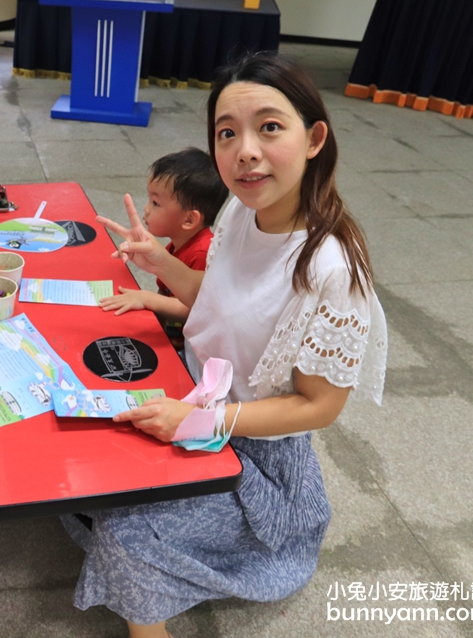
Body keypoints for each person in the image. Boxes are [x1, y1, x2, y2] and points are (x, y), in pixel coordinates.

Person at [71, 52, 388, 638]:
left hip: (257, 458)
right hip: (193, 393)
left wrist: (198, 422)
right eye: (226, 132)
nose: (245, 149)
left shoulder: (331, 269)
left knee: (126, 528)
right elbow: (214, 298)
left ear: (314, 137)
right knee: (75, 468)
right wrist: (160, 261)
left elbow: (318, 406)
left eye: (269, 126)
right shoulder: (243, 213)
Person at [99, 147, 228, 349]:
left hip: (187, 351)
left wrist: (145, 298)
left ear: (189, 219)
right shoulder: (177, 242)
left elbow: (192, 308)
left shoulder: (202, 252)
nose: (146, 208)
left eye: (156, 203)